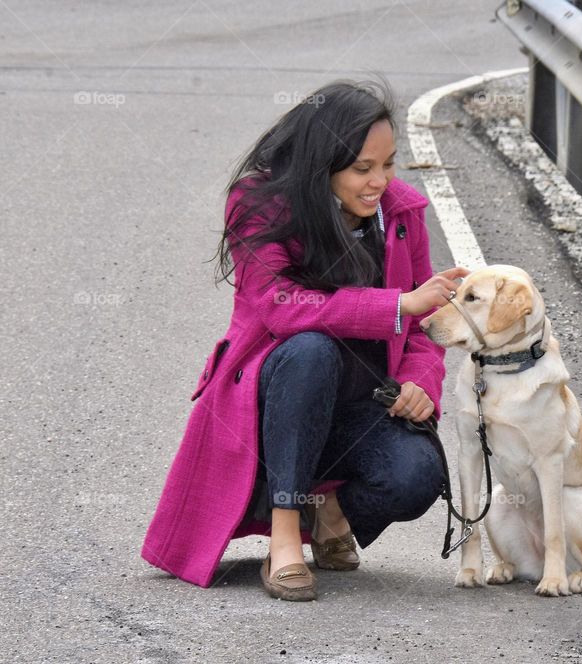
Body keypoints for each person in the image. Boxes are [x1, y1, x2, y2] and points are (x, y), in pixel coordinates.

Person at [141, 79, 469, 601]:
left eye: (388, 165)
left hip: (359, 406)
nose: (379, 181)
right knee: (310, 350)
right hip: (275, 405)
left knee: (416, 475)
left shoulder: (401, 214)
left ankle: (330, 512)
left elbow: (426, 328)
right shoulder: (259, 204)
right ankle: (286, 533)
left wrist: (418, 381)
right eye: (362, 168)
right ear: (323, 164)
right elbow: (278, 306)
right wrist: (396, 305)